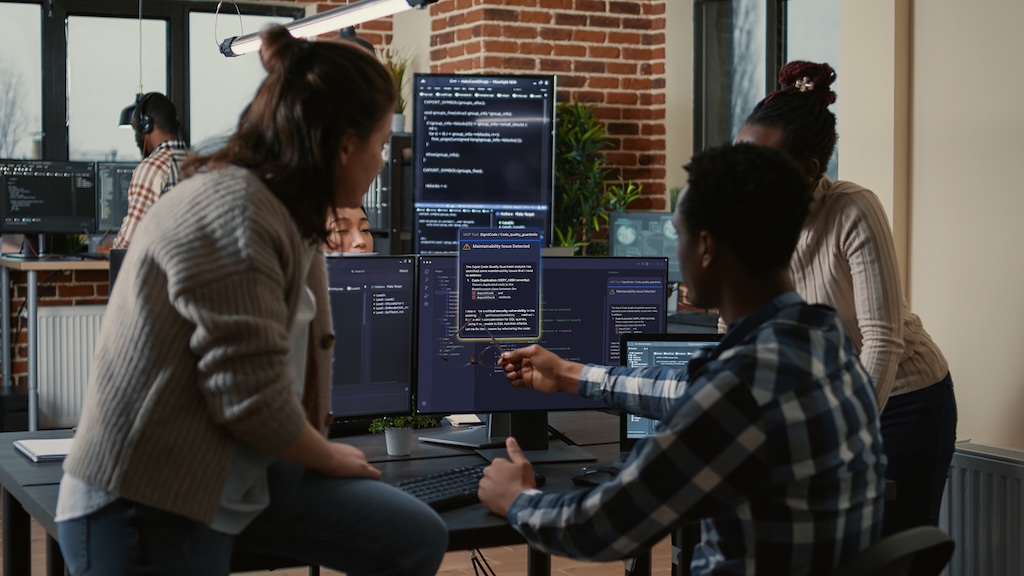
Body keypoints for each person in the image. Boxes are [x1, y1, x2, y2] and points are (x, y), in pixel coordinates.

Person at [56, 26, 447, 576]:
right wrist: (331, 456)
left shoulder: (290, 212)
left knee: (414, 537)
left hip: (241, 472)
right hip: (144, 497)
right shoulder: (236, 209)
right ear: (343, 146)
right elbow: (248, 400)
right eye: (381, 144)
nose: (383, 162)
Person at [481, 143, 886, 575]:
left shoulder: (739, 389)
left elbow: (602, 527)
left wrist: (518, 500)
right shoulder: (824, 339)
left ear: (706, 246)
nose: (678, 253)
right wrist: (568, 374)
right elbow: (689, 389)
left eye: (680, 235)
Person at [735, 60, 957, 536]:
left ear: (808, 169)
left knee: (889, 551)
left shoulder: (852, 209)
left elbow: (882, 340)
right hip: (816, 405)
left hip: (902, 401)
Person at [110, 92, 190, 249]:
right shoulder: (198, 163)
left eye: (136, 129)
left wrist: (111, 247)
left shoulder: (153, 168)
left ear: (146, 125)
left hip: (161, 268)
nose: (136, 136)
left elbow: (128, 241)